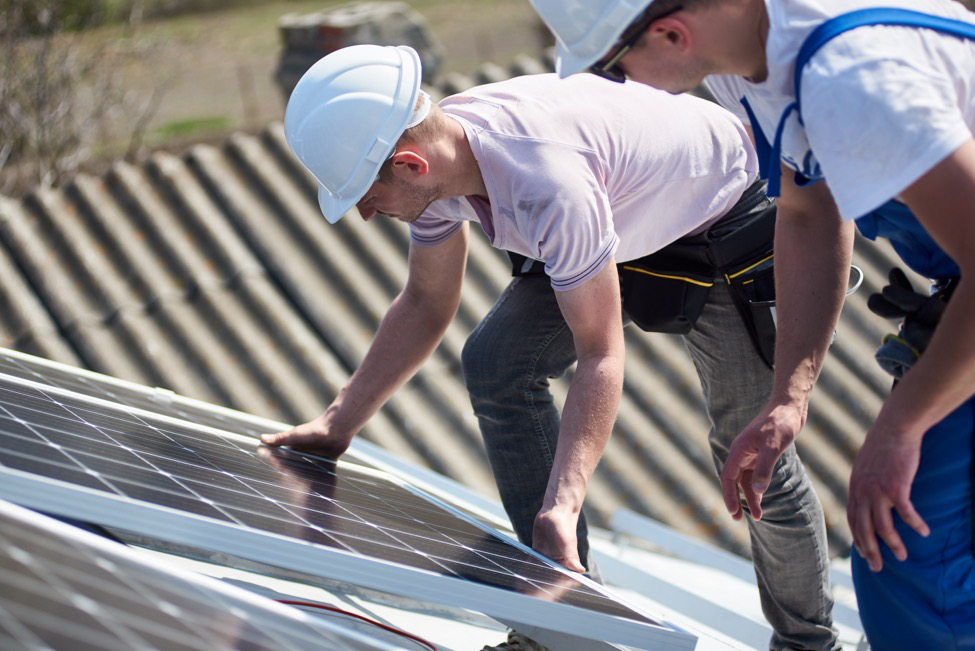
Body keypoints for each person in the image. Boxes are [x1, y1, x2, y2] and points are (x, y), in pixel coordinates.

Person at [260, 43, 837, 650]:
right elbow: (427, 302)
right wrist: (337, 423)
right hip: (610, 209)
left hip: (712, 211)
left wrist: (562, 501)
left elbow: (601, 354)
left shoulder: (543, 181)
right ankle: (563, 626)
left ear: (409, 164)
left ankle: (808, 642)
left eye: (365, 197)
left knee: (749, 449)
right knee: (496, 362)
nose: (367, 216)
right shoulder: (442, 165)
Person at [529, 0, 975, 647]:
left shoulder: (847, 75)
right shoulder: (751, 62)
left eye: (614, 65)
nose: (624, 85)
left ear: (669, 34)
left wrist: (898, 428)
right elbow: (807, 213)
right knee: (902, 556)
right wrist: (787, 398)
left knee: (910, 564)